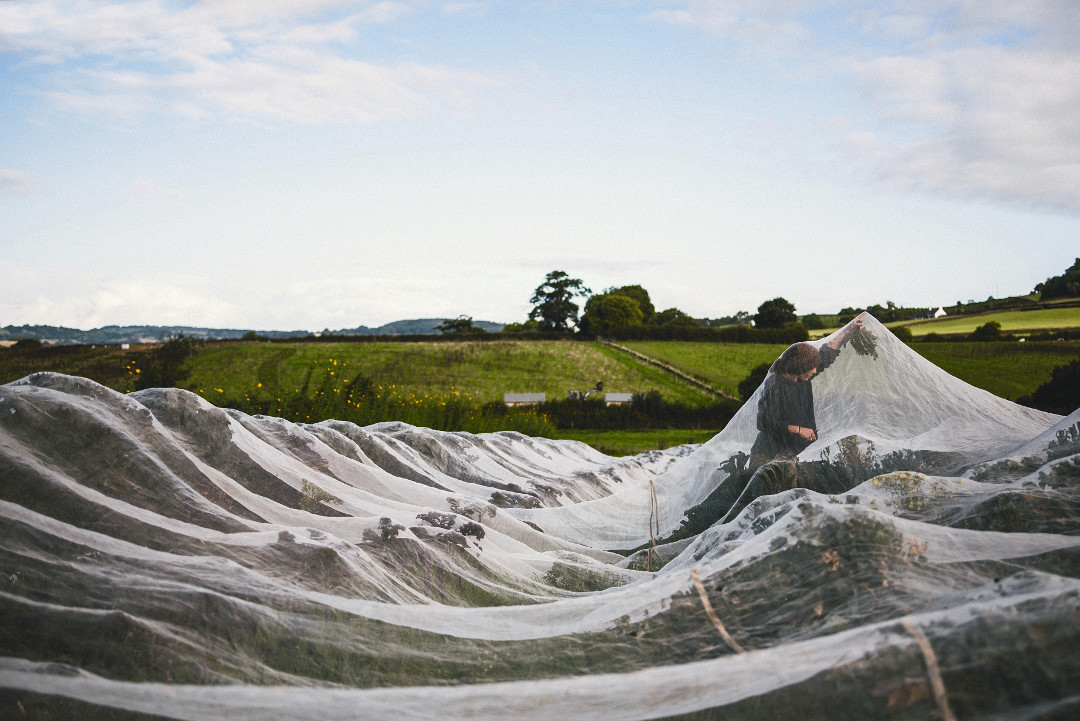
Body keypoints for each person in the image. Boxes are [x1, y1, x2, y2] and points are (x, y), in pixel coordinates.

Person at [719, 313, 867, 522]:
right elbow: (764, 422)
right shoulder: (776, 385)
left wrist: (848, 329)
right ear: (799, 366)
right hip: (768, 455)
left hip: (788, 453)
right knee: (761, 505)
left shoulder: (801, 379)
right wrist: (797, 429)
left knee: (787, 504)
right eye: (812, 368)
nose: (816, 371)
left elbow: (826, 353)